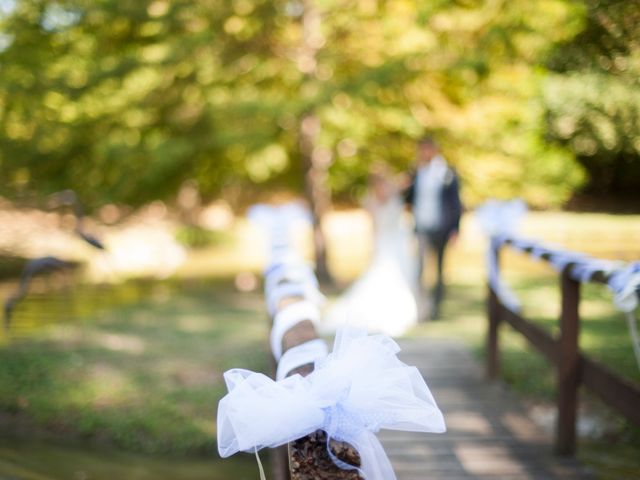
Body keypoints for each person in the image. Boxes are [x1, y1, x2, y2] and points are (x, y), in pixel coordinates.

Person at [321, 167, 418, 337]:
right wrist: (373, 247)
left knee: (404, 274)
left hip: (399, 243)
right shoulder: (371, 201)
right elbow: (374, 227)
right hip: (384, 243)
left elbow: (407, 180)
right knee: (384, 275)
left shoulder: (395, 194)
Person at [405, 137, 462, 320]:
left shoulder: (447, 172)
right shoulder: (416, 172)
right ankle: (421, 306)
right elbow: (409, 198)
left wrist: (455, 228)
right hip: (422, 226)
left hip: (442, 227)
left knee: (439, 269)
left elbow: (455, 203)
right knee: (420, 267)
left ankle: (437, 308)